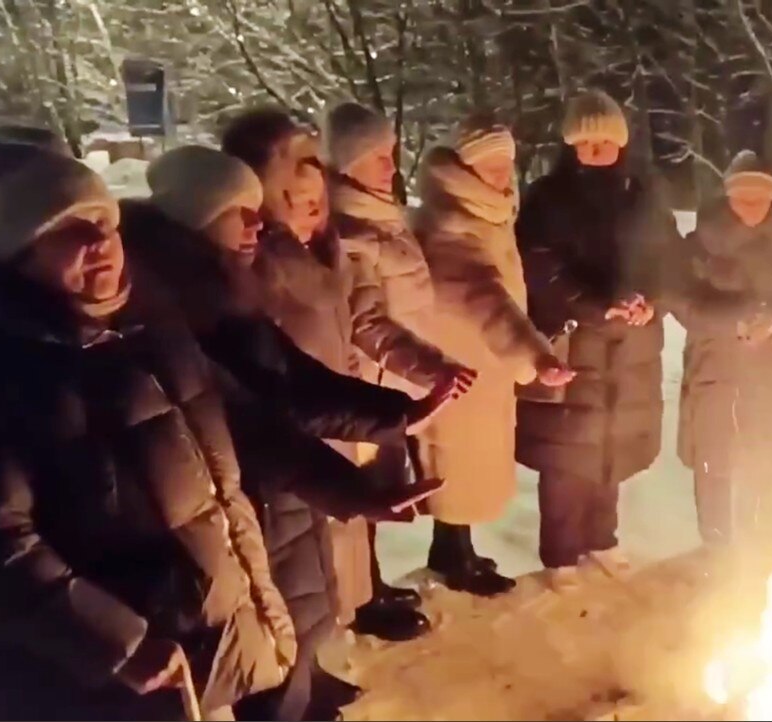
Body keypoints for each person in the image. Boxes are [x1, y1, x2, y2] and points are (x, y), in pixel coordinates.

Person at [0, 128, 294, 720]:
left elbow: (230, 421)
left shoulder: (145, 319)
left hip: (185, 659)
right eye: (68, 229)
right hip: (75, 687)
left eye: (106, 221)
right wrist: (117, 645)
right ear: (18, 253)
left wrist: (352, 484)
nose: (101, 240)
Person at [126, 143, 444, 719]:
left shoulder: (226, 289)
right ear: (196, 218)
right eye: (238, 212)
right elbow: (248, 423)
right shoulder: (176, 310)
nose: (257, 224)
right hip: (247, 511)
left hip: (285, 498)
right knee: (271, 658)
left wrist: (396, 413)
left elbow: (293, 379)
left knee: (294, 635)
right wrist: (352, 488)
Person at [223, 108, 461, 635]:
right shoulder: (253, 264)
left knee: (339, 534)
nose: (312, 210)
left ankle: (344, 614)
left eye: (317, 201)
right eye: (298, 200)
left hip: (340, 407)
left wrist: (430, 369)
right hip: (292, 420)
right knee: (294, 548)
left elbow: (367, 319)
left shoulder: (333, 251)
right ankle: (308, 647)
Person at [325, 102, 496, 598]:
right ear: (349, 161)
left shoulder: (381, 218)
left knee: (386, 485)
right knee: (367, 493)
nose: (392, 166)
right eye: (380, 155)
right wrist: (430, 367)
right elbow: (368, 323)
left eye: (392, 154)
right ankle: (364, 591)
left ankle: (371, 584)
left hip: (398, 378)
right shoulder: (353, 232)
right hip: (371, 380)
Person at [516, 89, 678, 589]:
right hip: (575, 337)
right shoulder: (546, 197)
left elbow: (669, 257)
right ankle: (561, 551)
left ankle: (602, 537)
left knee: (611, 443)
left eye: (605, 140)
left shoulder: (643, 194)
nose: (596, 149)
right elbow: (540, 267)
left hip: (630, 344)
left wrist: (652, 298)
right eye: (585, 142)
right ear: (570, 146)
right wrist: (593, 304)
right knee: (568, 452)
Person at [411, 114, 576, 594]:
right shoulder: (453, 223)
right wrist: (534, 353)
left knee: (472, 456)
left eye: (507, 163)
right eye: (491, 165)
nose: (503, 174)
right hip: (461, 359)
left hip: (482, 359)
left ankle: (454, 546)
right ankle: (452, 554)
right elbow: (482, 296)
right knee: (460, 457)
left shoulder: (486, 210)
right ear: (466, 169)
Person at [668, 150, 772, 545]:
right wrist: (733, 320)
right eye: (741, 195)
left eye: (759, 195)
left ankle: (764, 541)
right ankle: (716, 544)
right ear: (727, 196)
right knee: (714, 458)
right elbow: (682, 302)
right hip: (716, 365)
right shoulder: (701, 245)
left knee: (767, 457)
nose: (750, 205)